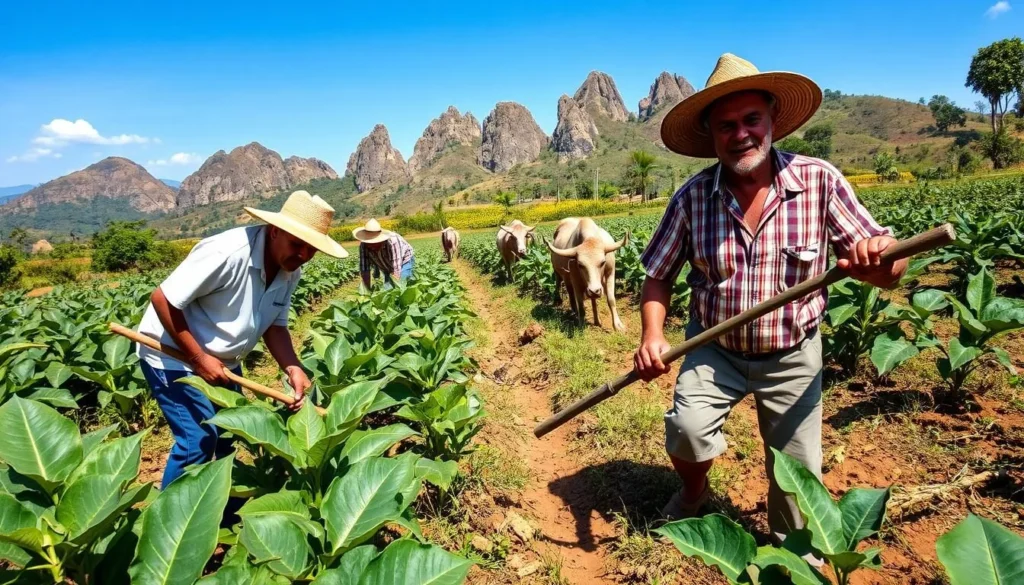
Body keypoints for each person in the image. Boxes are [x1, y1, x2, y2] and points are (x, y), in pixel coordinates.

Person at [632, 54, 907, 541]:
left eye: (750, 120)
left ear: (772, 121)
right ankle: (694, 492)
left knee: (797, 476)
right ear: (713, 136)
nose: (740, 134)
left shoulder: (819, 180)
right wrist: (652, 336)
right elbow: (657, 276)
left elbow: (891, 269)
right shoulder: (692, 198)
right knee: (688, 434)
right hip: (714, 347)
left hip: (793, 353)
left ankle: (795, 552)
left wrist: (877, 262)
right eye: (726, 125)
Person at [136, 190, 349, 490]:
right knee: (197, 439)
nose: (303, 255)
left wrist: (293, 367)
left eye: (311, 249)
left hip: (223, 361)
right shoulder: (228, 252)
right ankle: (170, 525)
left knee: (229, 434)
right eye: (297, 244)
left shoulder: (290, 270)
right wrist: (198, 358)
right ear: (276, 231)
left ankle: (223, 509)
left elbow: (275, 324)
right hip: (174, 354)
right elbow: (163, 299)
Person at [353, 218, 415, 290]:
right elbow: (365, 269)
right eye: (369, 242)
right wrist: (367, 290)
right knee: (387, 289)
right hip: (384, 265)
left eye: (374, 242)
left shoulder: (393, 242)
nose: (371, 245)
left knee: (402, 283)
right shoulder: (364, 245)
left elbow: (397, 269)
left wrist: (397, 288)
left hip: (403, 261)